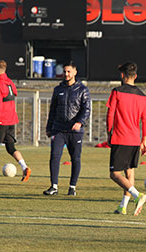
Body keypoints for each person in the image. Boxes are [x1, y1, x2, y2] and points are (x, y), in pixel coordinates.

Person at [106, 62, 146, 215]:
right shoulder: (143, 96)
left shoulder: (117, 92)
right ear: (135, 76)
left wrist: (109, 132)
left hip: (120, 138)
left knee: (115, 174)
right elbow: (145, 119)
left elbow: (110, 114)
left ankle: (138, 195)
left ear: (122, 75)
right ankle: (123, 206)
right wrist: (144, 139)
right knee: (129, 173)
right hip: (134, 139)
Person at [44, 61, 90, 196]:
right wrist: (49, 126)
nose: (66, 74)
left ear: (75, 72)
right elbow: (52, 110)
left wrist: (80, 123)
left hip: (75, 131)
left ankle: (72, 187)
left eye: (69, 71)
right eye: (64, 71)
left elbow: (86, 110)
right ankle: (54, 186)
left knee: (75, 158)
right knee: (54, 156)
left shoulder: (82, 90)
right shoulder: (58, 90)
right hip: (58, 129)